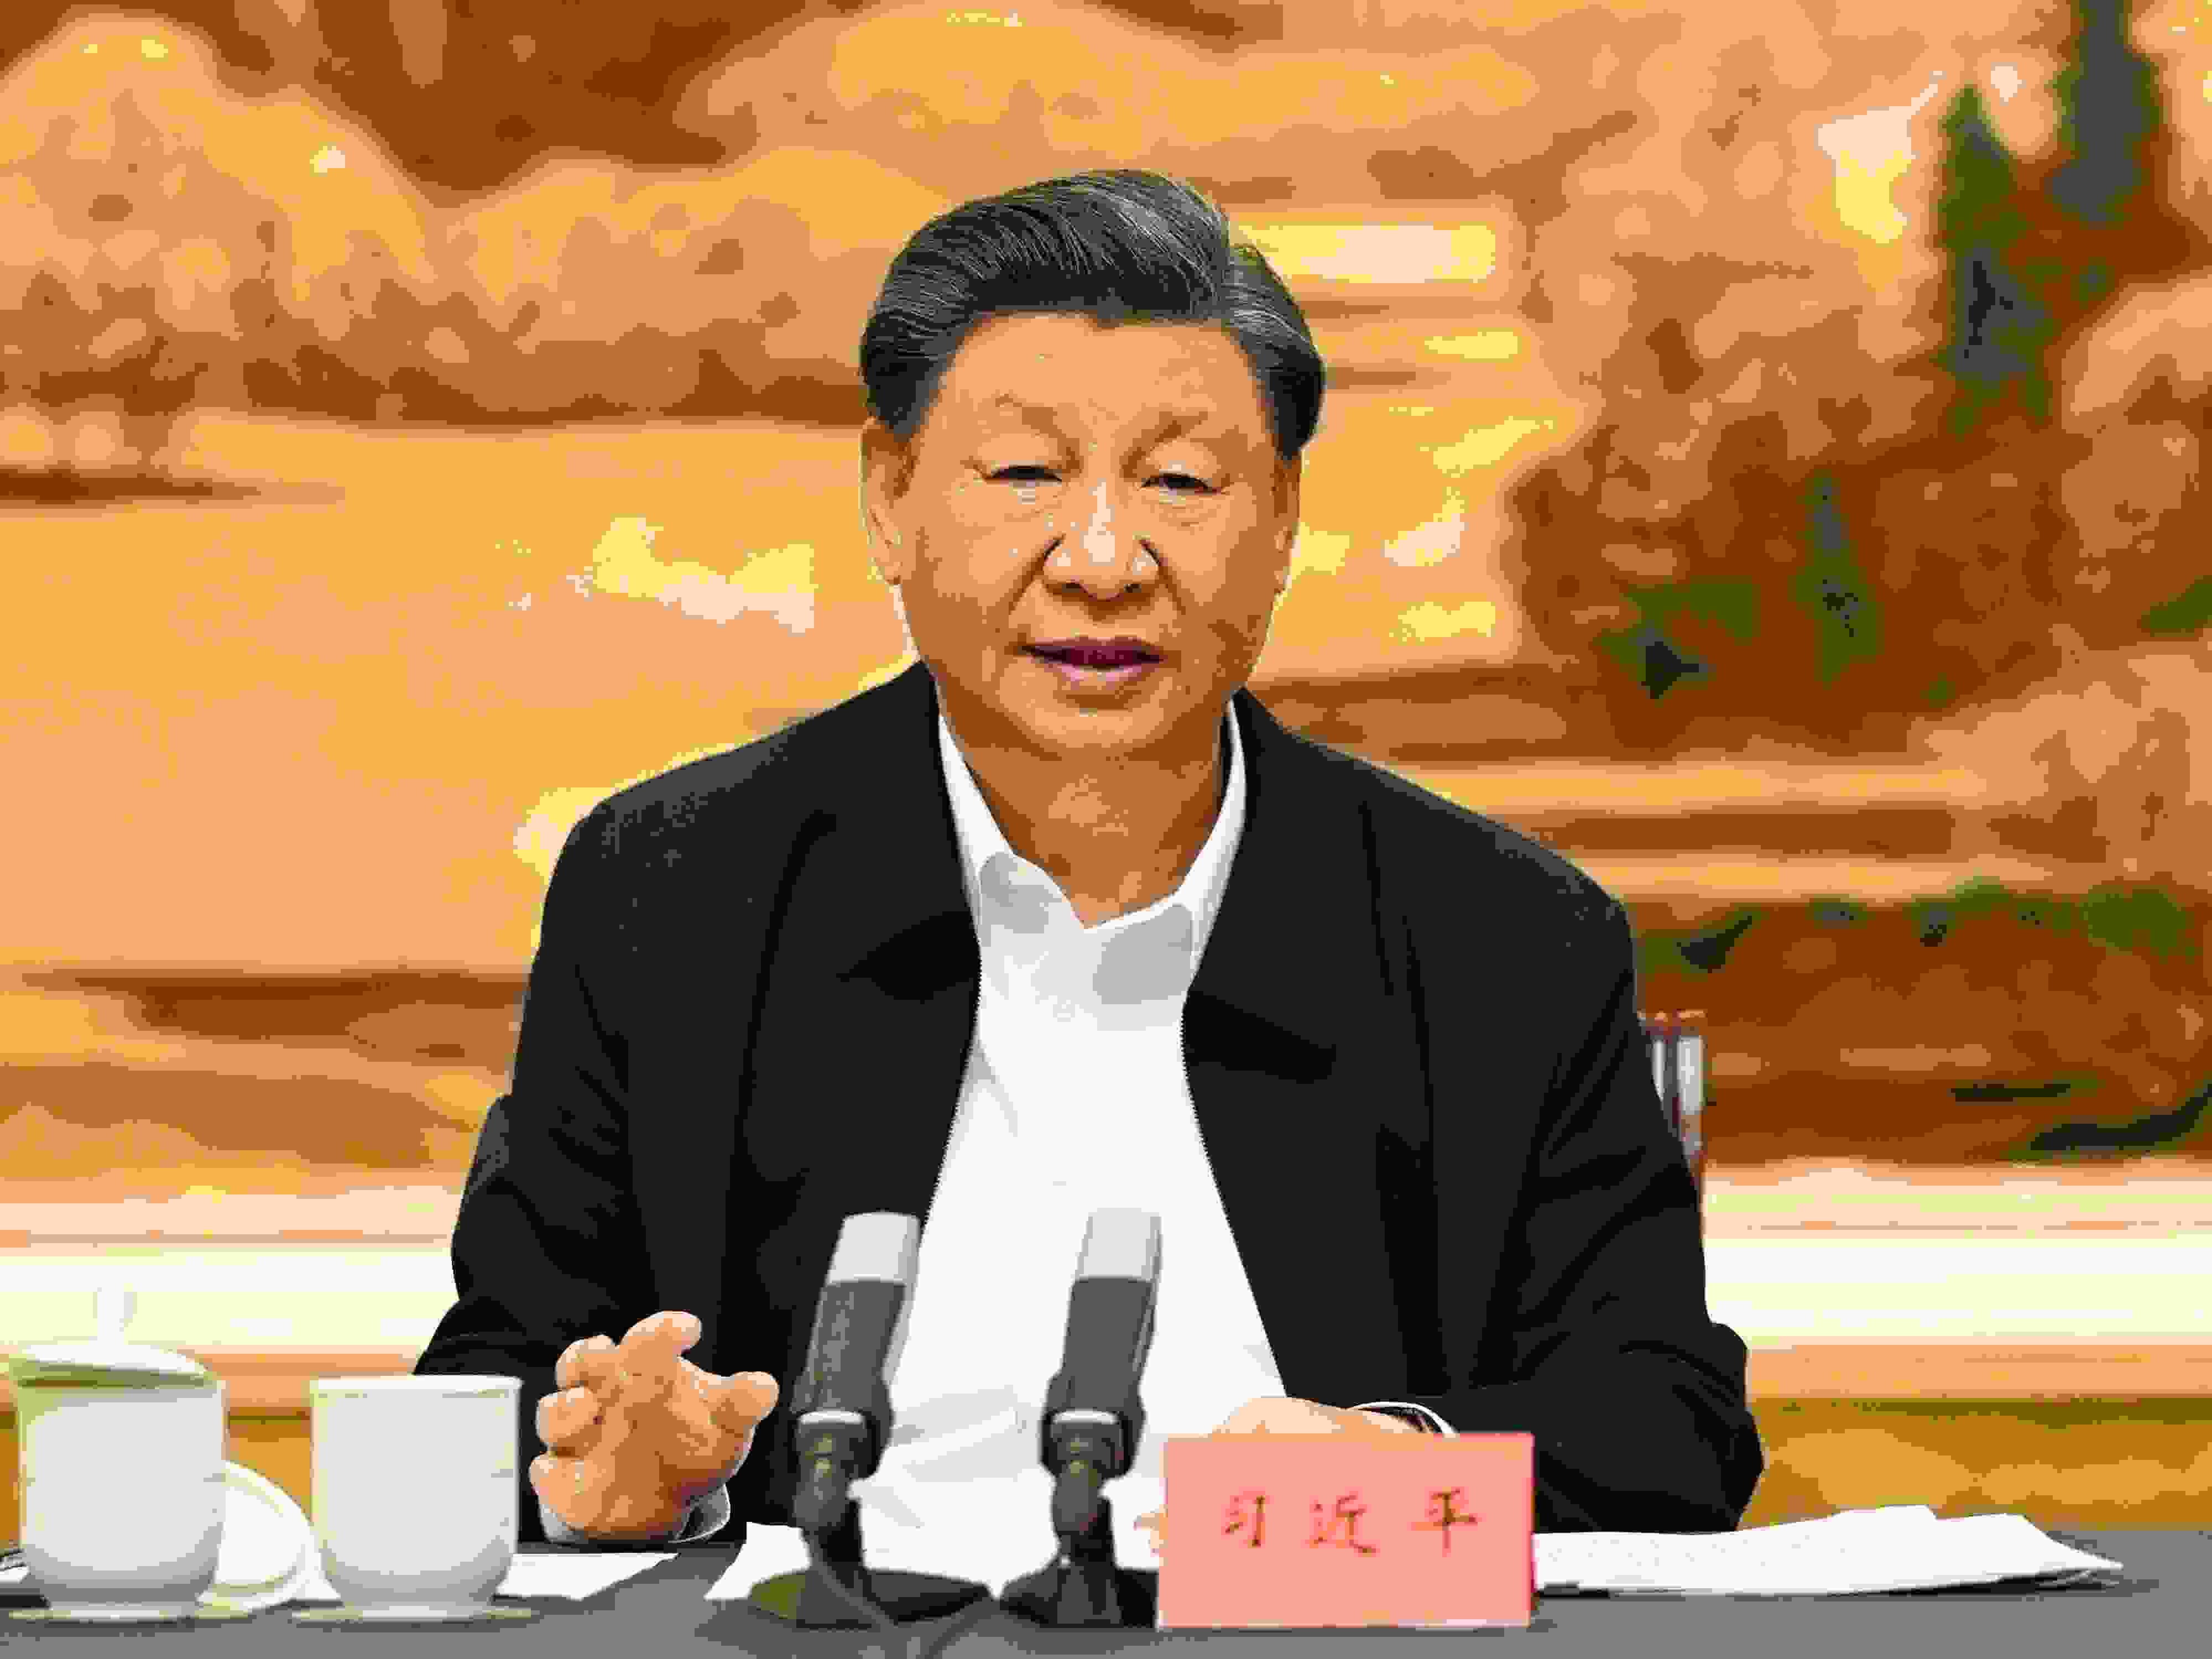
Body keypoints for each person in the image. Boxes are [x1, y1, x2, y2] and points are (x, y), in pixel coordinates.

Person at [415, 169, 1764, 1569]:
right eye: (1025, 476)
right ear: (888, 499)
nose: (1105, 560)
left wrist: (1397, 1464)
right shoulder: (678, 890)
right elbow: (501, 1376)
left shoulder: (1499, 936)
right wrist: (628, 1476)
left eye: (1179, 482)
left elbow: (1664, 1431)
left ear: (1282, 518)